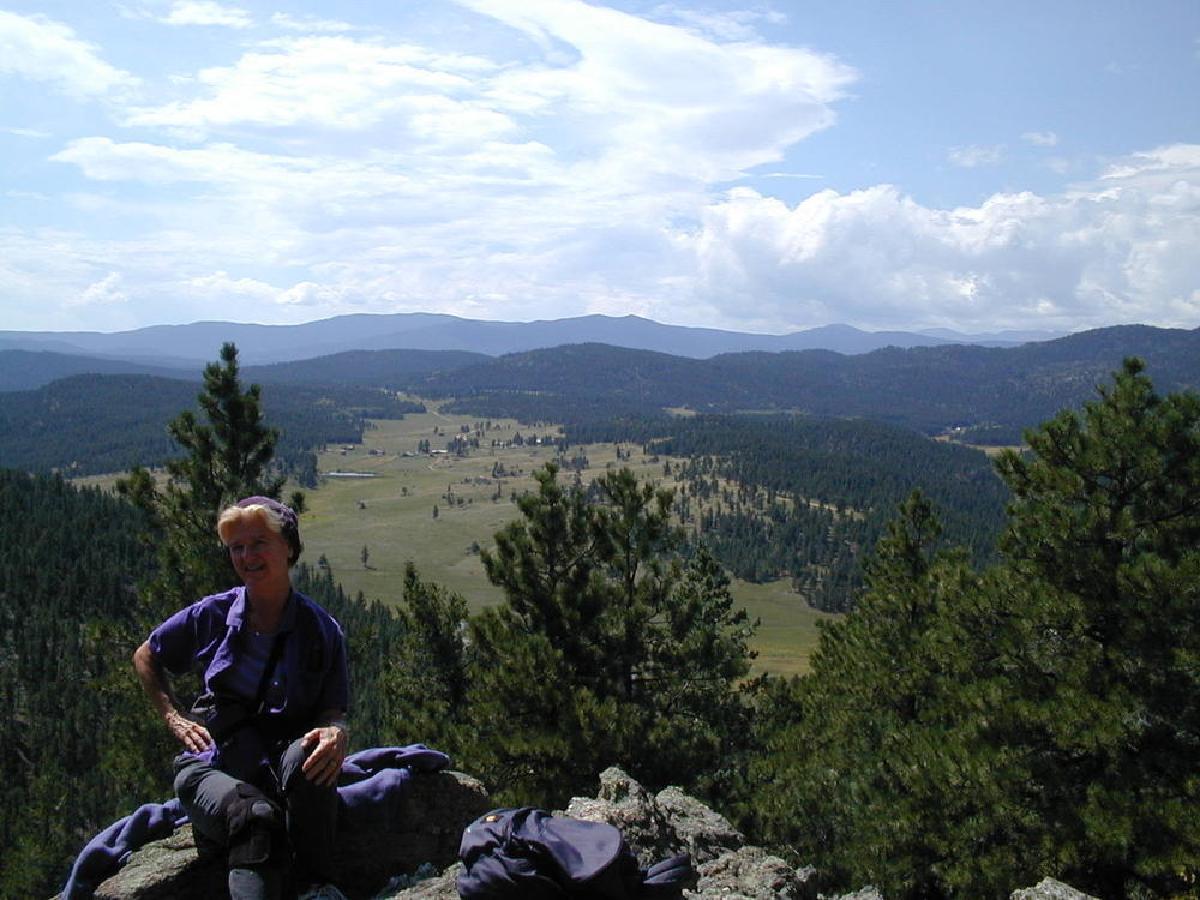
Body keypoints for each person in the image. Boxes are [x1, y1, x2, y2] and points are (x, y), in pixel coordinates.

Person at [133, 496, 350, 900]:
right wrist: (173, 717)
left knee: (314, 754)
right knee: (255, 819)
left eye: (258, 543)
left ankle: (315, 886)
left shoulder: (320, 630)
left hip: (278, 760)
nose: (247, 556)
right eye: (237, 547)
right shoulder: (213, 615)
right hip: (211, 764)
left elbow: (332, 709)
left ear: (288, 546)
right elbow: (146, 655)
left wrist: (336, 732)